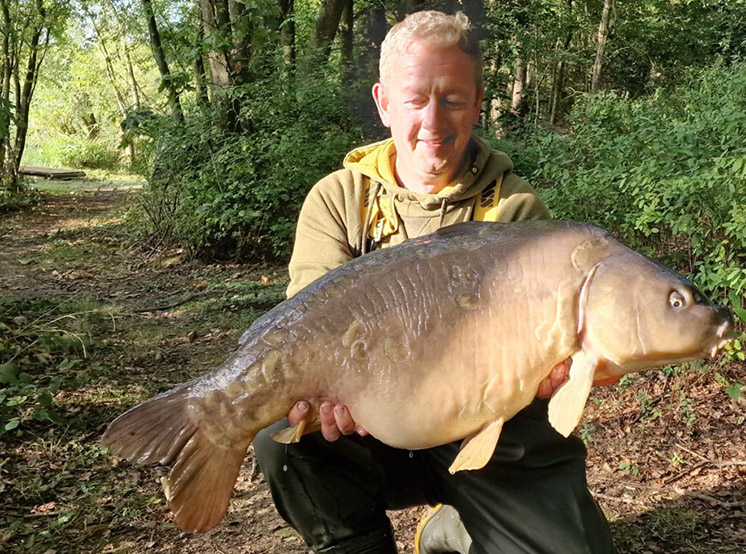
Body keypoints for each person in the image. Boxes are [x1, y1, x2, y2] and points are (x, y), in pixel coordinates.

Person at [253, 10, 614, 554]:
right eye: (416, 99)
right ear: (384, 103)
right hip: (368, 426)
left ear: (478, 102)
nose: (433, 120)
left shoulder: (514, 210)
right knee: (283, 440)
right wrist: (328, 391)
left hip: (487, 429)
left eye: (453, 99)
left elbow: (540, 347)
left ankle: (458, 524)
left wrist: (563, 366)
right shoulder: (337, 199)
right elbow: (310, 331)